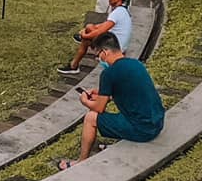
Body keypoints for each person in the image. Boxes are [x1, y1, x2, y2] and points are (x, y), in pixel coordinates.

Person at [61, 35, 164, 167]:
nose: (98, 59)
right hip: (157, 122)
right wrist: (101, 92)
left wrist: (85, 101)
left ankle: (81, 161)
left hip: (143, 130)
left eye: (97, 55)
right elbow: (124, 90)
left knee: (91, 118)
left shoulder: (109, 74)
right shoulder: (135, 63)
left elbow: (99, 108)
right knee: (125, 112)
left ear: (104, 52)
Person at [61, 0, 134, 75]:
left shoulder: (117, 13)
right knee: (89, 29)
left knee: (88, 34)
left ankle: (74, 66)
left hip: (115, 49)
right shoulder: (122, 11)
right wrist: (87, 29)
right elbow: (103, 25)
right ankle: (74, 65)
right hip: (118, 46)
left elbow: (100, 31)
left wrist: (84, 35)